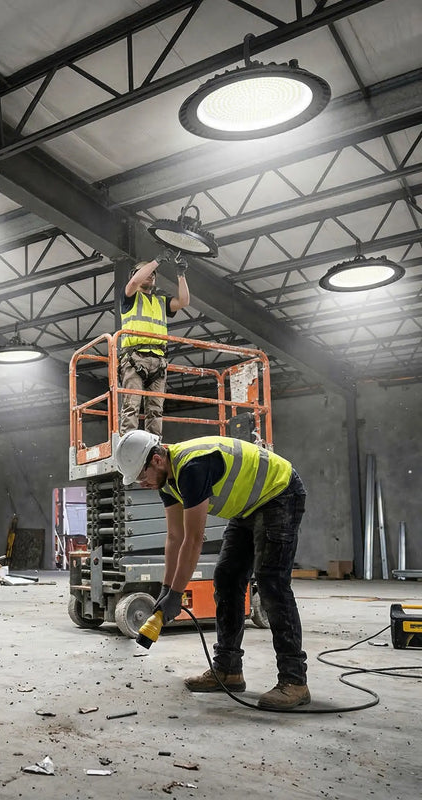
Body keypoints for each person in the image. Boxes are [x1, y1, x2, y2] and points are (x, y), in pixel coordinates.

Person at [115, 430, 310, 710]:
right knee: (227, 579)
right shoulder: (166, 481)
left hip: (280, 493)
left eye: (140, 476)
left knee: (271, 583)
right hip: (248, 508)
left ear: (156, 460)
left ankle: (294, 681)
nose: (141, 483)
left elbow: (194, 539)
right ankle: (228, 670)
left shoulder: (192, 467)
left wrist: (177, 594)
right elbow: (174, 537)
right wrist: (166, 590)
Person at [118, 253, 190, 437]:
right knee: (131, 406)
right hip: (135, 358)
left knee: (156, 409)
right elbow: (134, 283)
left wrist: (181, 274)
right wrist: (156, 261)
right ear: (135, 274)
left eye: (153, 274)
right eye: (146, 272)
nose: (150, 275)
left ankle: (153, 445)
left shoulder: (161, 302)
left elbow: (184, 301)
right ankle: (129, 443)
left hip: (158, 360)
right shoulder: (129, 296)